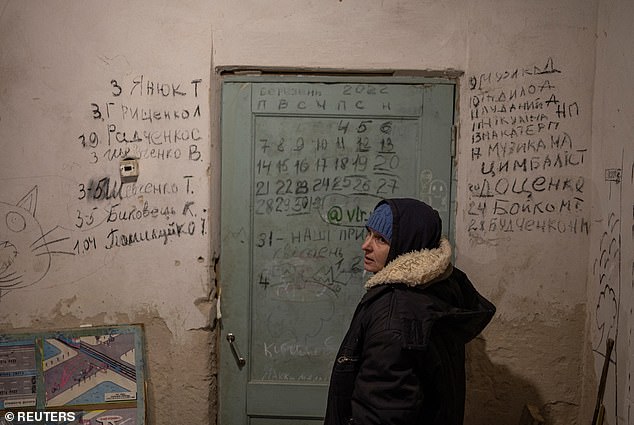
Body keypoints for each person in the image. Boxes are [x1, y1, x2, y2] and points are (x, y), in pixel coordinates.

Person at [324, 198, 496, 425]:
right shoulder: (436, 289)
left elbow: (382, 414)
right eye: (368, 233)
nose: (366, 245)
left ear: (406, 245)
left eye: (381, 239)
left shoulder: (394, 317)